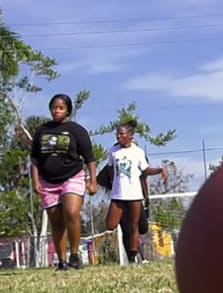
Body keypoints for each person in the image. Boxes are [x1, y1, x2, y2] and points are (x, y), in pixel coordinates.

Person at [30, 94, 97, 271]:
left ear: (68, 110)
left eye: (61, 108)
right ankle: (61, 262)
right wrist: (36, 180)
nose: (57, 111)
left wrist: (93, 181)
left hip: (72, 176)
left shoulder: (77, 130)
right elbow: (35, 159)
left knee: (72, 212)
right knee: (57, 222)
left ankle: (75, 255)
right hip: (48, 182)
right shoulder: (42, 131)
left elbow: (89, 158)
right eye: (54, 107)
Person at [106, 120, 167, 264]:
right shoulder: (113, 151)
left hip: (134, 194)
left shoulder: (137, 152)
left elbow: (145, 170)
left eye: (121, 134)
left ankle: (133, 257)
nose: (118, 137)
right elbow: (110, 168)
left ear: (130, 135)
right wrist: (112, 182)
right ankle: (131, 254)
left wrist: (160, 170)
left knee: (134, 226)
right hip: (118, 195)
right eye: (117, 134)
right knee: (110, 224)